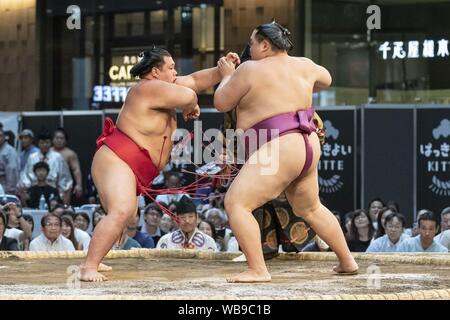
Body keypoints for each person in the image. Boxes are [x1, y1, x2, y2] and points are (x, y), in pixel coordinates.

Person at [79, 46, 240, 281]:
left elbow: (195, 80)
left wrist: (221, 69)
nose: (176, 71)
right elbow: (189, 95)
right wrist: (190, 106)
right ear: (155, 72)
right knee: (121, 210)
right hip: (117, 160)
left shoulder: (163, 87)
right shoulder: (147, 88)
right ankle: (88, 266)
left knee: (127, 213)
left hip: (128, 165)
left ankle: (95, 258)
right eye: (171, 67)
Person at [213, 21, 357, 282]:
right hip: (307, 143)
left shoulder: (249, 69)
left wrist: (226, 76)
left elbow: (222, 102)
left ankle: (257, 269)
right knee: (310, 207)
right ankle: (347, 261)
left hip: (279, 145)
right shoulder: (305, 65)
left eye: (252, 43)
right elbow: (326, 79)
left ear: (265, 45)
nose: (251, 48)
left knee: (236, 203)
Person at [19, 131, 73, 204]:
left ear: (51, 143)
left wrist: (62, 193)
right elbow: (25, 177)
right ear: (38, 143)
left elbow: (65, 178)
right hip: (34, 189)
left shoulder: (57, 157)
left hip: (53, 190)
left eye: (47, 142)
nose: (45, 145)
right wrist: (27, 190)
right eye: (42, 143)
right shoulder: (32, 157)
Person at [51, 128, 83, 202]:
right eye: (57, 138)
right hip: (50, 183)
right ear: (52, 139)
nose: (59, 140)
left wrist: (79, 185)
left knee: (64, 207)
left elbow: (76, 170)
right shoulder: (48, 152)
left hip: (65, 185)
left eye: (61, 138)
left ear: (65, 140)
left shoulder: (70, 153)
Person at [0, 127, 19, 195]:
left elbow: (12, 171)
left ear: (4, 137)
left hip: (5, 187)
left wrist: (11, 191)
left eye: (0, 136)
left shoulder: (10, 151)